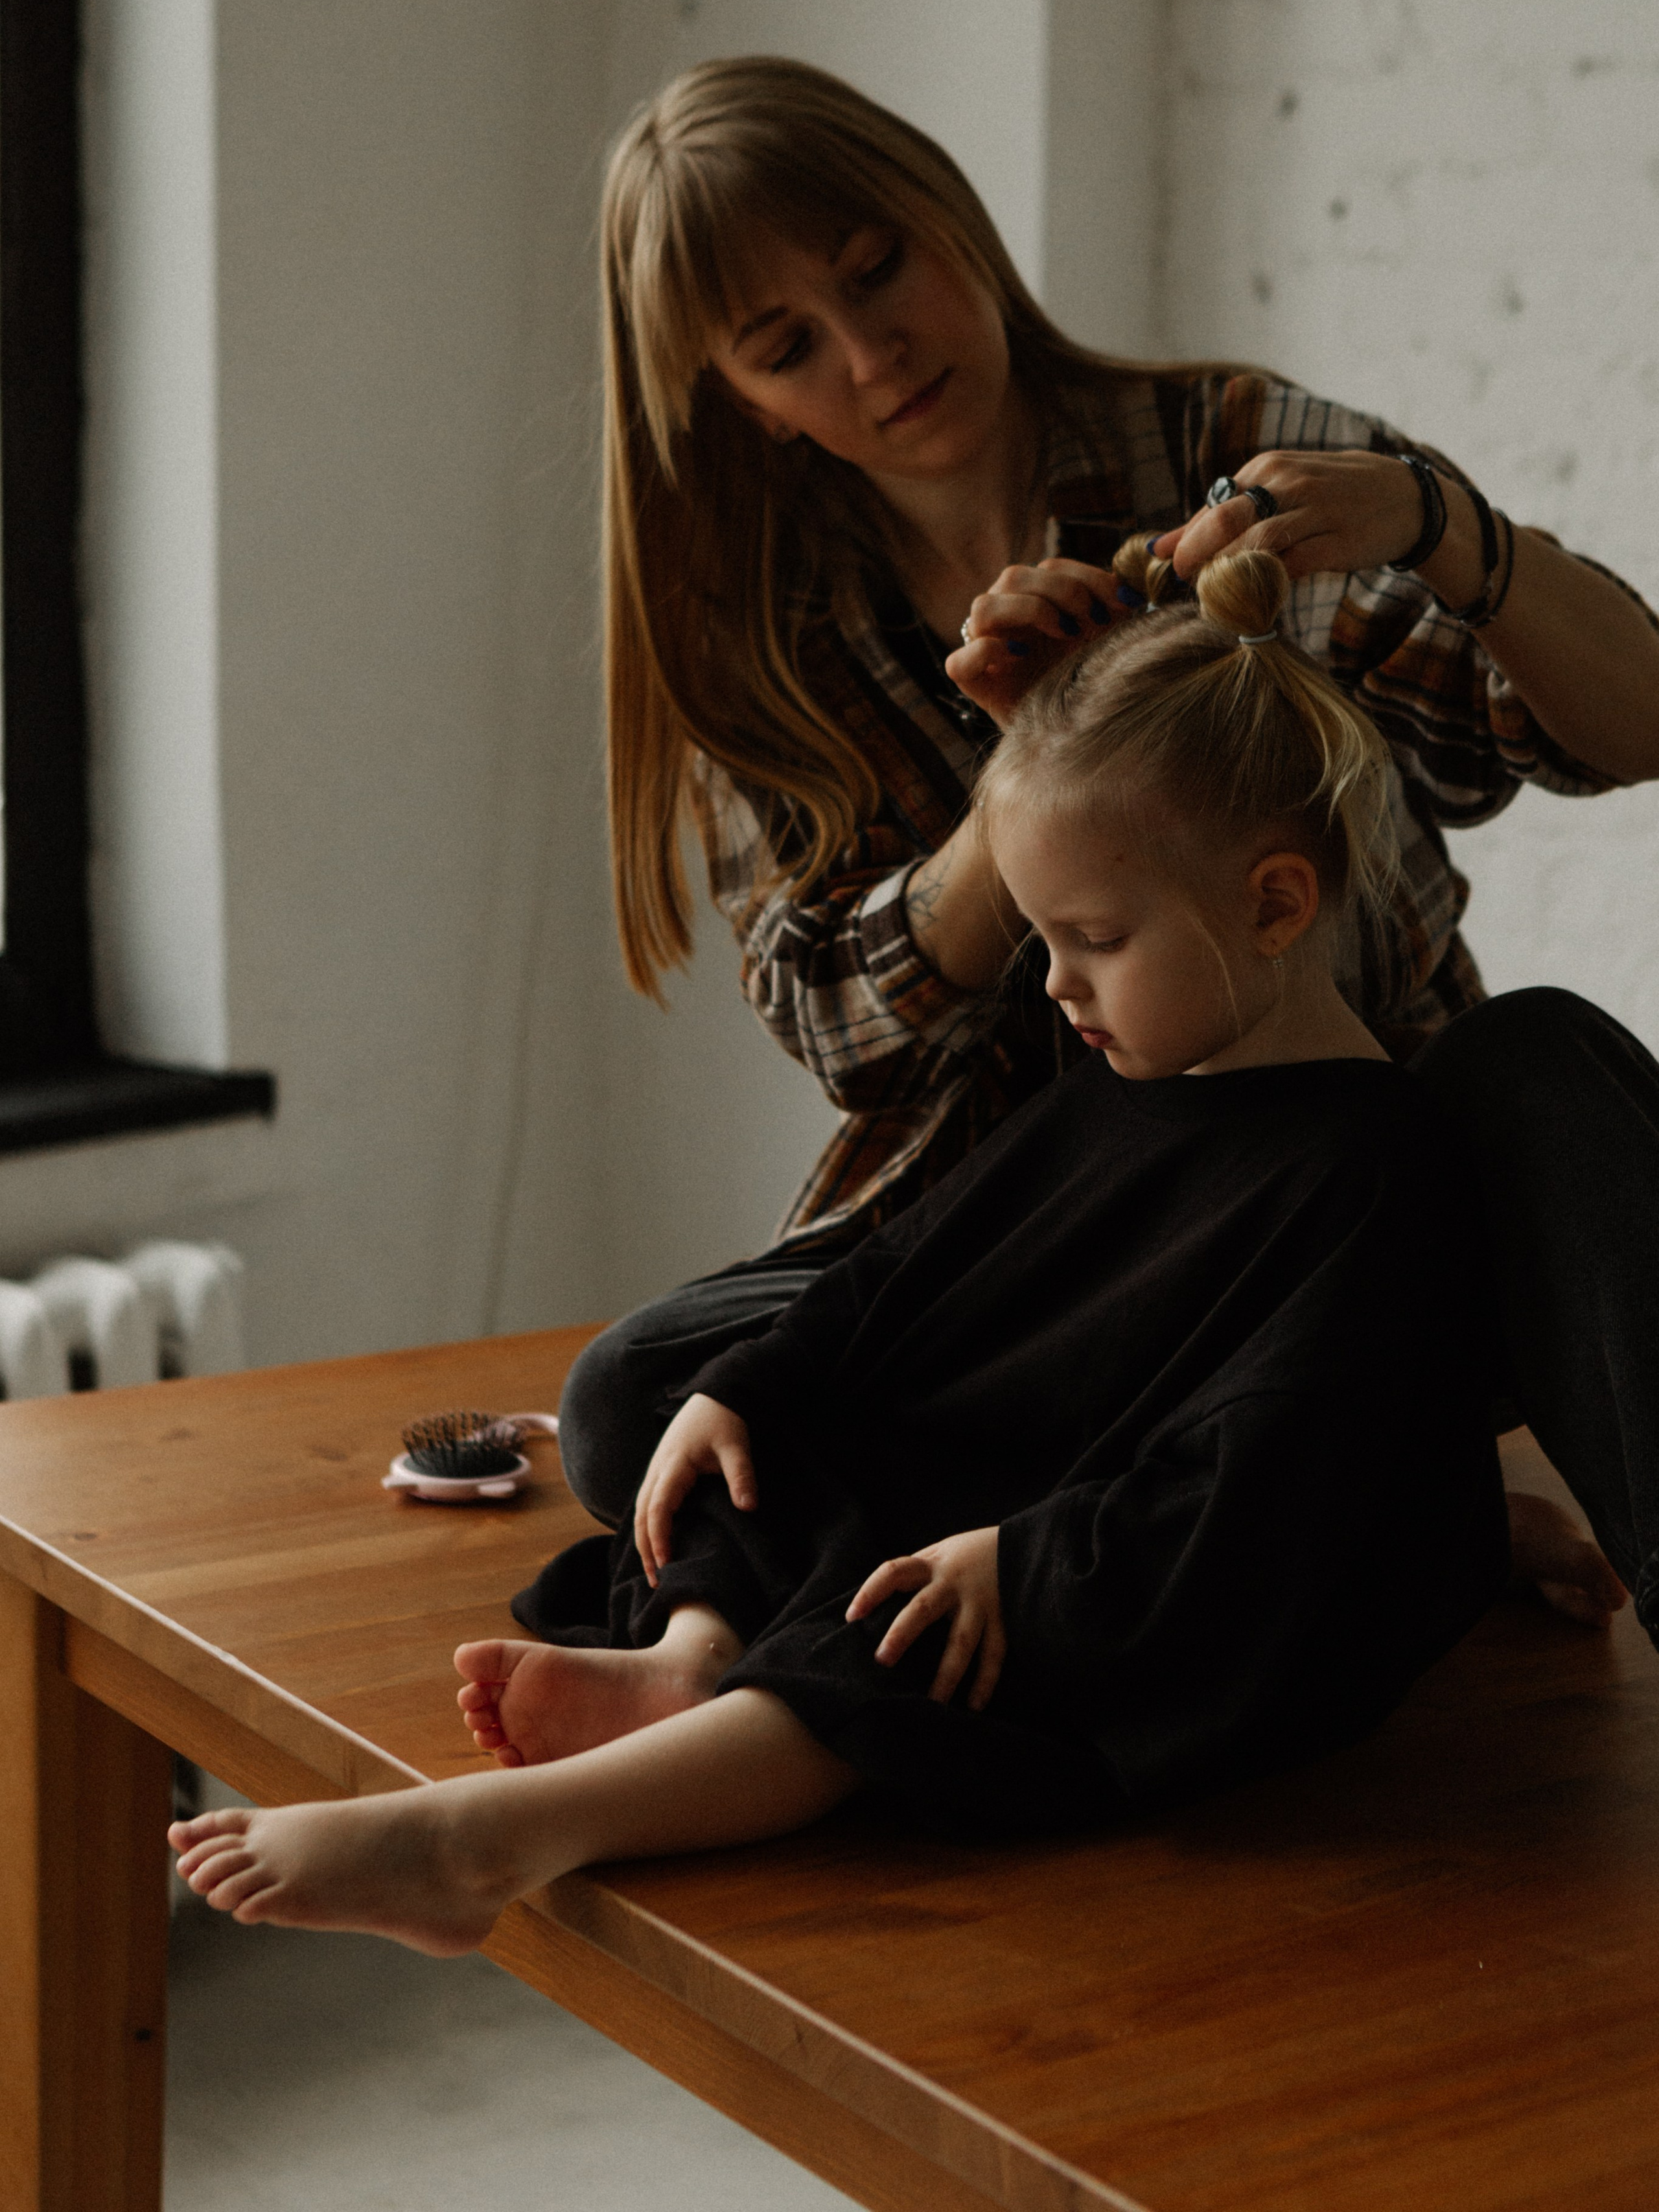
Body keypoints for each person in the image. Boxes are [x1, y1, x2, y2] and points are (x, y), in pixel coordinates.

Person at [170, 547, 1516, 1950]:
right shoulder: (1122, 1080)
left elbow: (1259, 1490)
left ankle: (487, 1839)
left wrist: (1021, 1560)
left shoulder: (1372, 1167)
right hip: (1010, 1491)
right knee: (775, 1455)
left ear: (1274, 905)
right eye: (1042, 939)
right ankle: (692, 1666)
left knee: (911, 1637)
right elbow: (904, 1279)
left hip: (1141, 1571)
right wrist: (748, 1383)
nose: (1054, 985)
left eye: (1093, 939)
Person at [567, 54, 1659, 1625]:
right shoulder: (761, 637)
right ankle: (1385, 1520)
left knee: (1548, 1071)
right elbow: (838, 1032)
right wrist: (1030, 777)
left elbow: (1625, 732)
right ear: (736, 401)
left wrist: (1442, 527)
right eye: (786, 344)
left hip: (1353, 1225)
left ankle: (1292, 1505)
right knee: (636, 1406)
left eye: (879, 270)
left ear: (950, 214)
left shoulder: (1225, 452)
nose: (873, 356)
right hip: (1052, 1269)